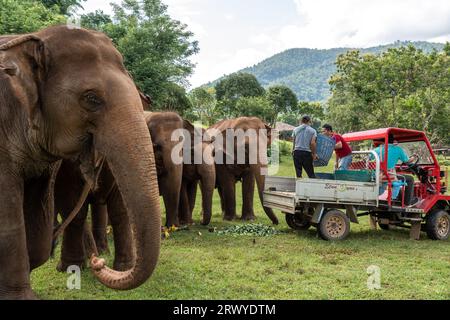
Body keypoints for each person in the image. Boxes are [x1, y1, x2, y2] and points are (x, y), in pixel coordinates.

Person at [372, 134, 417, 206]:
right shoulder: (398, 149)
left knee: (383, 186)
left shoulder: (377, 150)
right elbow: (407, 161)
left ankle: (391, 197)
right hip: (390, 175)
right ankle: (407, 202)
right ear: (393, 141)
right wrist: (414, 157)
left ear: (383, 141)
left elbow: (369, 159)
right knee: (410, 179)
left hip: (378, 175)